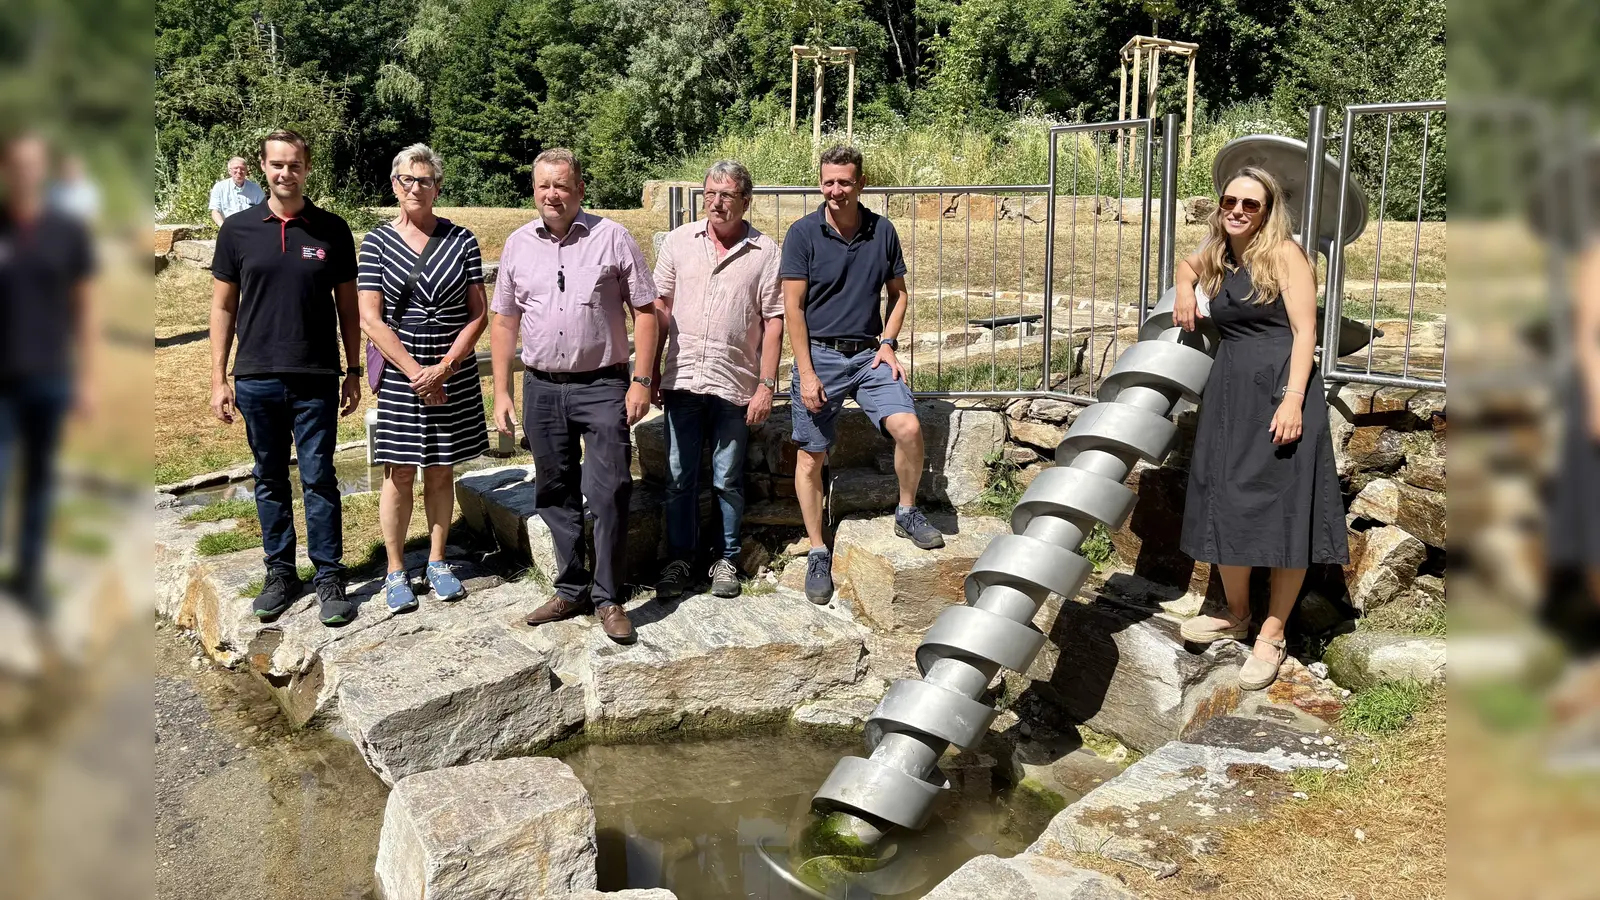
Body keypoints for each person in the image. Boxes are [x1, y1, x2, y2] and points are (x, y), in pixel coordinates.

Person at [1172, 165, 1349, 690]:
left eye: (1251, 205)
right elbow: (1187, 264)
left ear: (1269, 211)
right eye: (1230, 201)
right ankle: (1238, 612)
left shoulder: (1286, 255)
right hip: (1229, 393)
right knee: (1223, 497)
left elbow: (1304, 333)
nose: (1238, 211)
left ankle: (1272, 634)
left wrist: (1293, 399)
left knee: (1284, 510)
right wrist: (1186, 286)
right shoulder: (1223, 252)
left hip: (1279, 388)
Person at [490, 148, 660, 644]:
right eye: (544, 185)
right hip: (542, 387)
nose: (552, 195)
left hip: (603, 385)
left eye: (562, 185)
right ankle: (570, 588)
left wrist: (642, 380)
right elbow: (504, 321)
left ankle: (609, 597)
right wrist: (502, 390)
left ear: (579, 189)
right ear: (534, 189)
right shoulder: (519, 244)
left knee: (608, 493)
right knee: (554, 490)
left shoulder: (612, 238)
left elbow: (646, 312)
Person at [209, 129, 364, 626]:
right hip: (255, 376)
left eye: (294, 165)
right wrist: (219, 377)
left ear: (307, 167)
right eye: (276, 164)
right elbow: (222, 306)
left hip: (316, 374)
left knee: (319, 477)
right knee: (269, 478)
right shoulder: (236, 230)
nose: (285, 173)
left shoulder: (331, 229)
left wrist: (354, 368)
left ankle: (329, 576)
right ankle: (280, 573)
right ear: (262, 167)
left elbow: (349, 308)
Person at [781, 145, 945, 606]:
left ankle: (907, 511)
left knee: (909, 427)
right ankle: (817, 549)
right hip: (821, 359)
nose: (836, 190)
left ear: (861, 184)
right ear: (821, 183)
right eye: (828, 182)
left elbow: (900, 295)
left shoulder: (883, 231)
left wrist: (888, 342)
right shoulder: (802, 234)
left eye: (845, 182)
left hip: (871, 358)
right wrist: (807, 373)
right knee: (811, 456)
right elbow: (792, 308)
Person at [358, 143, 489, 613]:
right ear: (395, 185)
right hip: (402, 371)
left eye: (426, 180)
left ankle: (437, 561)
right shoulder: (375, 243)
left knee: (441, 469)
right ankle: (395, 568)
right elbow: (370, 319)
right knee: (399, 474)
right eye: (408, 180)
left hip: (450, 368)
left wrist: (445, 368)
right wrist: (417, 373)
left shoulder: (463, 240)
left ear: (438, 187)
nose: (417, 188)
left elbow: (478, 313)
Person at [651, 160, 784, 600]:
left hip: (735, 383)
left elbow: (774, 320)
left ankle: (726, 560)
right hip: (683, 377)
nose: (717, 202)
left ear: (746, 201)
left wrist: (766, 385)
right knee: (678, 476)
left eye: (727, 195)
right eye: (710, 193)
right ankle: (680, 560)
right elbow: (660, 308)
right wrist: (649, 369)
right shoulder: (678, 242)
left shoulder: (765, 251)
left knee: (727, 478)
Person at [0, 133, 96, 613]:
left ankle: (29, 578)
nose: (25, 173)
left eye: (34, 165)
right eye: (17, 164)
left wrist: (86, 379)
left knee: (39, 480)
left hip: (50, 376)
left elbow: (83, 307)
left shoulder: (67, 231)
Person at [209, 156, 265, 226]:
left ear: (246, 171)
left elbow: (263, 210)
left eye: (242, 169)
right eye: (236, 168)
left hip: (250, 229)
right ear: (229, 171)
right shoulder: (220, 187)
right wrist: (223, 227)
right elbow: (215, 211)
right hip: (229, 228)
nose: (239, 171)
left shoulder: (255, 189)